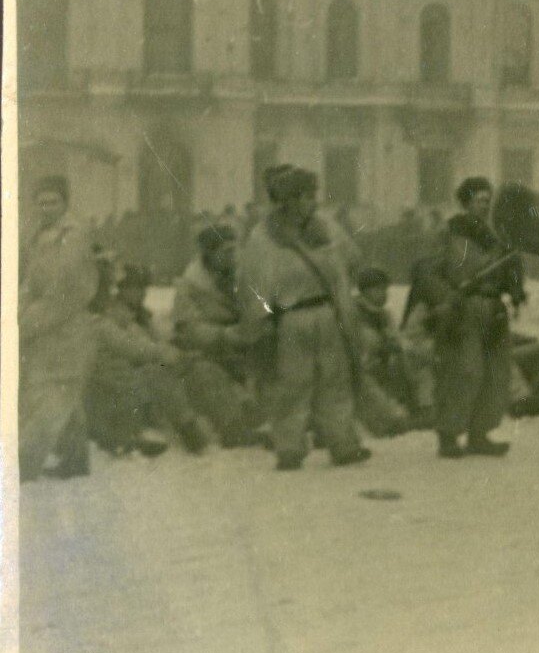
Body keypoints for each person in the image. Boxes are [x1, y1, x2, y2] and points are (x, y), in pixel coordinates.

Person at [237, 165, 369, 471]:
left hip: (317, 313)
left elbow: (352, 258)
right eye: (305, 196)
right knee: (295, 383)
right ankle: (292, 447)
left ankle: (339, 443)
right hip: (293, 317)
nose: (311, 202)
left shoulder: (316, 228)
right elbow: (253, 283)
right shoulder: (273, 234)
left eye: (311, 196)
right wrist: (264, 320)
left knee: (333, 380)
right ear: (288, 199)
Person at [422, 177, 525, 456]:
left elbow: (513, 268)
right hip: (462, 309)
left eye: (488, 199)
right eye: (480, 199)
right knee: (463, 372)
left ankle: (480, 434)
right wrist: (446, 298)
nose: (486, 205)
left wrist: (516, 288)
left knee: (495, 373)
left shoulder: (499, 236)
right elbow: (428, 272)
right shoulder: (449, 233)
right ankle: (448, 435)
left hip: (494, 309)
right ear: (466, 202)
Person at [19, 177, 103, 482]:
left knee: (53, 393)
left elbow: (66, 287)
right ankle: (75, 457)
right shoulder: (37, 235)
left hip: (68, 323)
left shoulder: (74, 235)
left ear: (65, 202)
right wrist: (22, 306)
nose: (47, 207)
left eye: (53, 201)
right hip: (46, 320)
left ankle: (25, 464)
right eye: (41, 202)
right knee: (63, 392)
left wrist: (30, 321)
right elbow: (31, 280)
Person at [89, 261, 216, 460]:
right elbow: (134, 347)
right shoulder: (111, 317)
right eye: (134, 288)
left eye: (142, 287)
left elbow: (151, 342)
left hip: (130, 379)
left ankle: (223, 421)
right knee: (157, 374)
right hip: (115, 385)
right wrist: (166, 353)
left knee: (196, 369)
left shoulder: (140, 315)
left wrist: (173, 350)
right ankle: (188, 427)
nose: (141, 293)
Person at [170, 223, 270, 447]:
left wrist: (259, 323)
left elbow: (258, 306)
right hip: (206, 350)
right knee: (207, 373)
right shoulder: (190, 285)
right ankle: (232, 427)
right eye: (225, 252)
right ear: (209, 254)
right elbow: (188, 329)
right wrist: (225, 335)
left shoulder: (239, 275)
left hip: (239, 345)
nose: (232, 257)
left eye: (234, 250)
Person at [350, 267, 429, 435]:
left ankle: (416, 406)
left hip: (381, 366)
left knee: (408, 358)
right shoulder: (353, 312)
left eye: (385, 289)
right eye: (378, 290)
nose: (384, 294)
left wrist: (407, 349)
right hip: (360, 369)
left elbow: (398, 339)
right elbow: (363, 344)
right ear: (365, 291)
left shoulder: (384, 314)